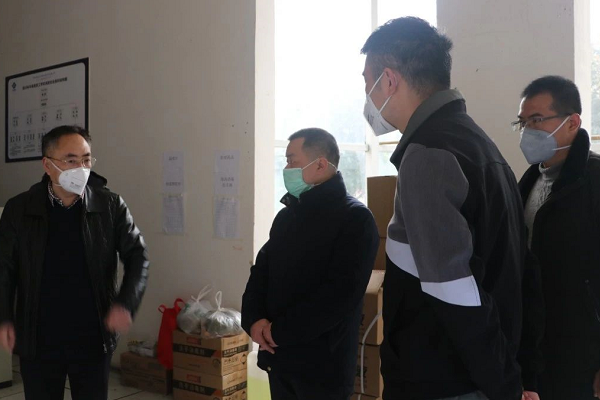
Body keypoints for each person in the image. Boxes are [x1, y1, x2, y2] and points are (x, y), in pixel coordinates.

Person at [361, 17, 529, 400]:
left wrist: (505, 385)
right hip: (476, 375)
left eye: (367, 82)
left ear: (389, 80)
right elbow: (522, 267)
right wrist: (517, 373)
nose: (367, 96)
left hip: (445, 381)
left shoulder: (427, 155)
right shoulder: (475, 142)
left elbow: (453, 289)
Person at [0, 125, 149, 400]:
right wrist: (4, 317)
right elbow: (4, 269)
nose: (81, 168)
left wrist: (126, 303)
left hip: (93, 335)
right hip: (39, 337)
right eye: (70, 160)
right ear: (47, 165)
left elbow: (138, 256)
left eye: (86, 159)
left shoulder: (110, 205)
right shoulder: (19, 209)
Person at [241, 128, 379, 400]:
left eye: (292, 161)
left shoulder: (355, 220)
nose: (286, 169)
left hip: (322, 368)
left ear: (320, 164)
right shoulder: (286, 217)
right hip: (278, 358)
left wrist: (279, 332)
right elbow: (261, 273)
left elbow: (339, 296)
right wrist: (254, 320)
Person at [516, 76, 600, 400]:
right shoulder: (529, 181)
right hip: (538, 354)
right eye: (523, 122)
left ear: (572, 122)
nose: (527, 131)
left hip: (583, 358)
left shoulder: (594, 181)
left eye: (537, 120)